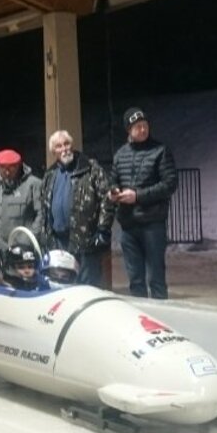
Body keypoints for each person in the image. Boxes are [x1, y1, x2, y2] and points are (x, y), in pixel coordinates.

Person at [109, 107, 178, 299]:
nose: (142, 130)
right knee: (135, 279)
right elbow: (114, 179)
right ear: (128, 130)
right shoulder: (120, 154)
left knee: (156, 277)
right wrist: (113, 192)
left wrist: (138, 196)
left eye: (145, 125)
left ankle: (162, 316)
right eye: (137, 126)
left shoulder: (160, 151)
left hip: (152, 223)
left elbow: (169, 184)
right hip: (128, 224)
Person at [35, 130, 114, 286]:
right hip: (58, 244)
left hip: (86, 243)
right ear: (53, 152)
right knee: (62, 288)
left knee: (88, 288)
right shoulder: (50, 174)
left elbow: (108, 198)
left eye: (67, 144)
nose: (64, 149)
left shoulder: (90, 168)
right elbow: (44, 208)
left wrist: (102, 230)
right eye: (59, 146)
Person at [0, 148, 43, 249]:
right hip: (2, 246)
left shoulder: (33, 184)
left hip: (26, 247)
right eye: (3, 168)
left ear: (19, 166)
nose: (7, 173)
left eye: (11, 168)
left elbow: (41, 215)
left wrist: (29, 239)